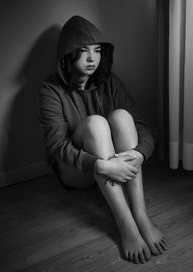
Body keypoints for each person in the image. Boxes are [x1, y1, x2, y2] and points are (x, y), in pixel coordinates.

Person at [38, 15, 166, 264]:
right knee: (96, 123)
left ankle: (140, 215)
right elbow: (56, 146)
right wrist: (101, 165)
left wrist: (140, 153)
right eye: (83, 51)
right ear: (67, 54)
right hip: (77, 172)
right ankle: (126, 223)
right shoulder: (50, 89)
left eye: (97, 51)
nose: (91, 59)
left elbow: (140, 126)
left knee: (121, 115)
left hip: (114, 166)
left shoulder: (110, 81)